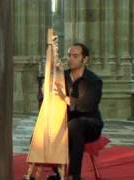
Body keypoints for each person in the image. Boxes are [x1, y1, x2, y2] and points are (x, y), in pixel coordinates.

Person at [48, 43, 104, 180]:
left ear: (85, 60)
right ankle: (62, 173)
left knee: (75, 126)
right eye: (69, 55)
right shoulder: (62, 77)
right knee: (42, 134)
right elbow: (49, 99)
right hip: (68, 124)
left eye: (75, 56)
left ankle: (74, 175)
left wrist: (65, 98)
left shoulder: (94, 81)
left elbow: (87, 106)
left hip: (91, 124)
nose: (70, 59)